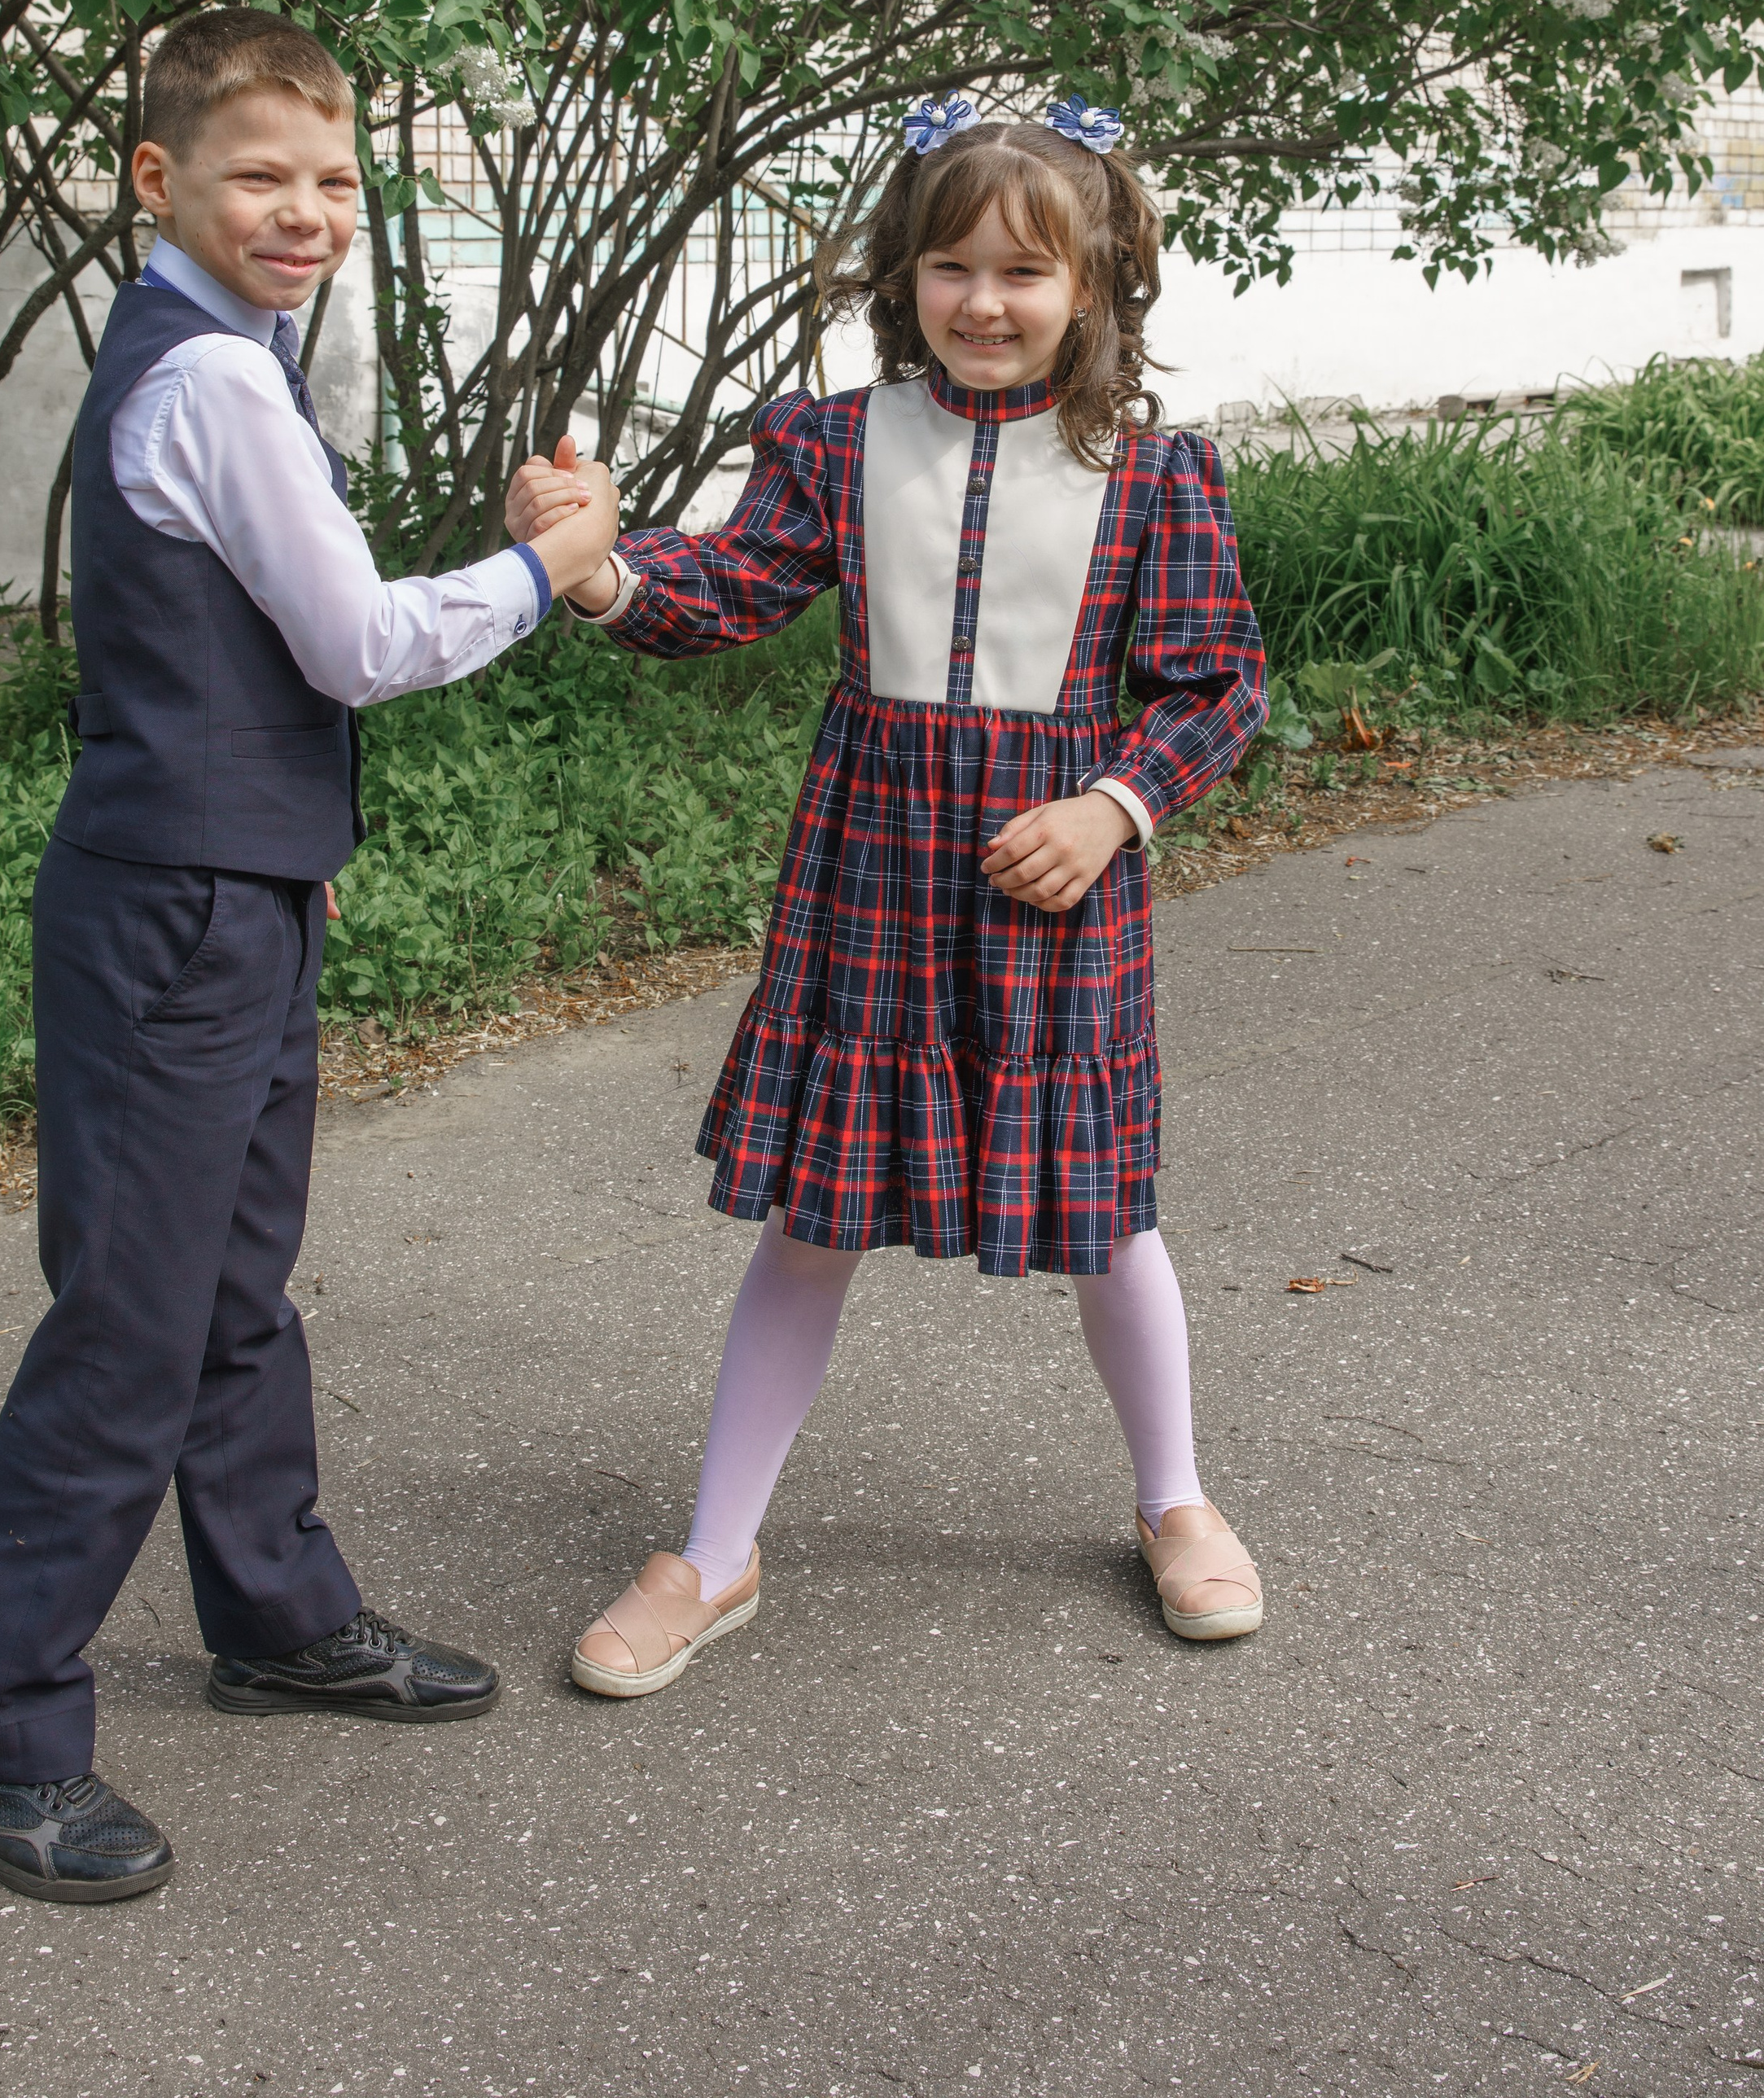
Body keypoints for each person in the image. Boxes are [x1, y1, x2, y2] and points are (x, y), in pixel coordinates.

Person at [0, 9, 619, 1899]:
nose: (305, 211)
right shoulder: (211, 382)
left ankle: (275, 1614)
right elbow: (359, 643)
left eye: (332, 179)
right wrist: (549, 568)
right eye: (258, 175)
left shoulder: (235, 353)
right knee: (129, 1328)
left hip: (240, 893)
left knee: (231, 1290)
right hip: (175, 914)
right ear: (157, 181)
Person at [508, 99, 1269, 1698]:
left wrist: (1110, 803)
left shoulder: (1150, 473)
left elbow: (1216, 689)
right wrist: (594, 567)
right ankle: (714, 1551)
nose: (982, 301)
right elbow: (725, 591)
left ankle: (1174, 1497)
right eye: (948, 265)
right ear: (898, 278)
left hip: (1056, 884)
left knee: (1103, 1216)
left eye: (1022, 270)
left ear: (1096, 281)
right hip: (872, 862)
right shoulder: (834, 445)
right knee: (811, 1219)